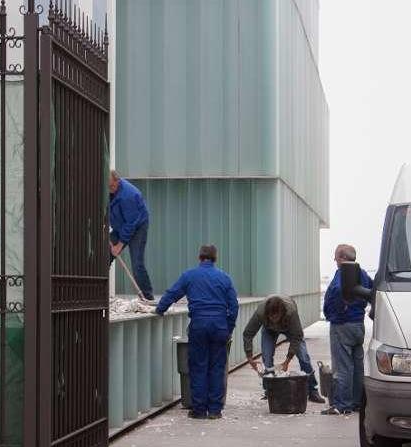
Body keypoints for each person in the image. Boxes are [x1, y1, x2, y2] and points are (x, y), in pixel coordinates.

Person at [156, 245, 239, 419]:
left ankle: (199, 410)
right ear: (215, 258)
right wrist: (228, 328)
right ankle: (215, 410)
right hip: (219, 326)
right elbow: (234, 306)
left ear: (199, 257)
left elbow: (173, 293)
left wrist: (160, 309)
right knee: (217, 367)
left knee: (198, 366)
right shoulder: (224, 278)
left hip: (199, 324)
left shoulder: (189, 275)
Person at [243, 295, 326, 404]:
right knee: (267, 358)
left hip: (289, 328)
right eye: (271, 317)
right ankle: (270, 390)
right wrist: (250, 359)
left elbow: (297, 337)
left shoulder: (291, 312)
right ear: (267, 314)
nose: (273, 320)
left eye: (276, 317)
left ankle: (312, 390)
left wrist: (287, 360)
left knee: (303, 357)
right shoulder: (260, 313)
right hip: (269, 330)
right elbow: (248, 333)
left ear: (282, 313)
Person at [321, 244, 372, 415]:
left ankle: (342, 405)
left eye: (335, 257)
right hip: (358, 325)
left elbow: (335, 293)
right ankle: (358, 402)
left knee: (342, 367)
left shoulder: (342, 273)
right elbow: (373, 292)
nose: (334, 260)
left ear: (342, 257)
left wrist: (333, 314)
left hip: (342, 326)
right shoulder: (363, 274)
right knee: (357, 366)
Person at [109, 169, 154, 301]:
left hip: (137, 226)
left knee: (137, 263)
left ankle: (147, 297)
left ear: (118, 181)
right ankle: (97, 292)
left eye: (111, 186)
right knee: (104, 256)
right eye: (107, 186)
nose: (109, 189)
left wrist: (119, 245)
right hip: (119, 224)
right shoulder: (107, 189)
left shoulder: (129, 195)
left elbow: (130, 224)